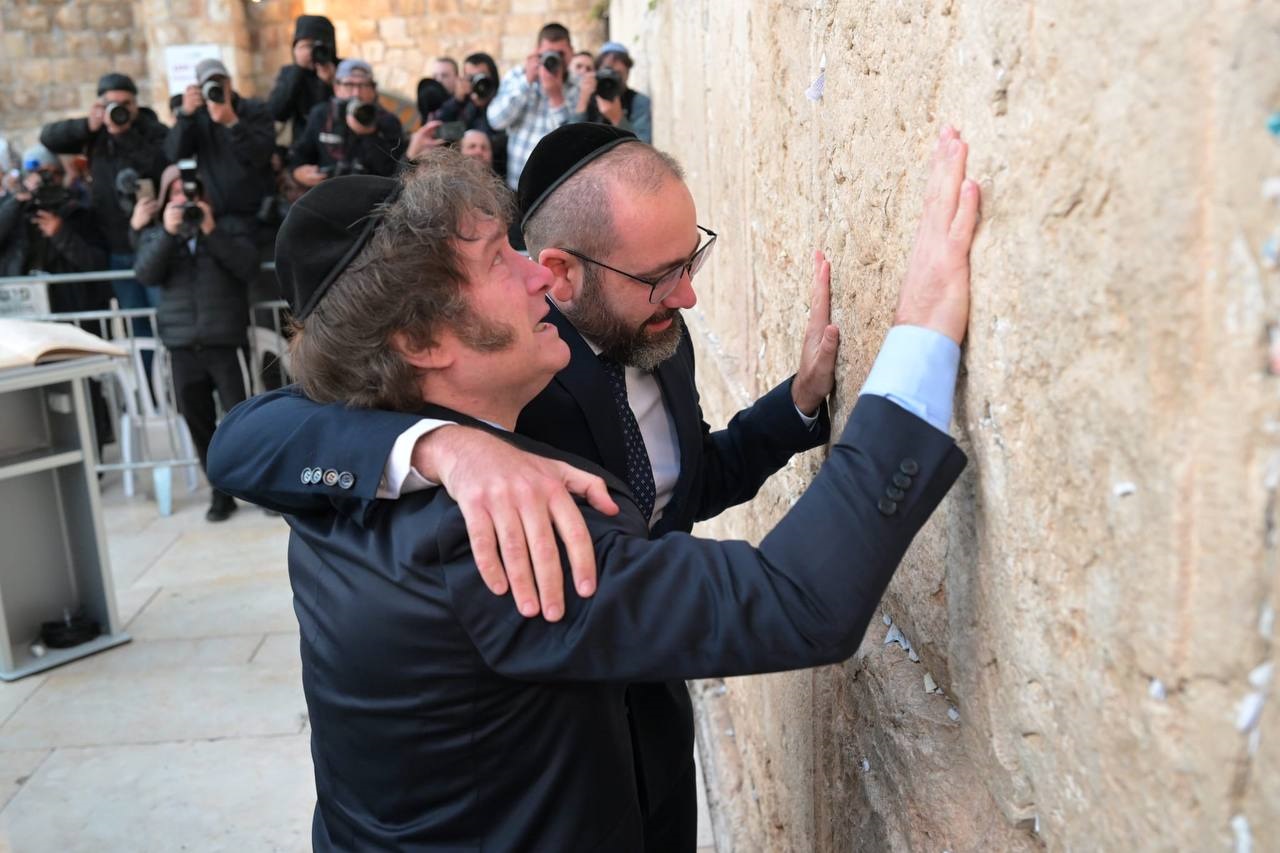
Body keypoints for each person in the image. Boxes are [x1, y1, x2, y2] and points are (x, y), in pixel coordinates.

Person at [209, 122, 975, 849]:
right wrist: (922, 334)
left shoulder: (369, 474)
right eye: (498, 260)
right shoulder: (495, 537)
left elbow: (683, 478)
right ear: (419, 340)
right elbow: (798, 600)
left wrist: (436, 444)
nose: (535, 267)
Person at [134, 164, 258, 522]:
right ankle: (220, 492)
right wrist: (169, 235)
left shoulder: (227, 227)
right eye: (175, 193)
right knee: (198, 423)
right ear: (165, 199)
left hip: (224, 339)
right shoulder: (157, 234)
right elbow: (145, 274)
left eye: (190, 193)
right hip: (181, 344)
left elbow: (247, 268)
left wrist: (210, 230)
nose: (183, 200)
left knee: (245, 419)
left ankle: (261, 487)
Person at [40, 72, 169, 334]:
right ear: (101, 105)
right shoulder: (95, 134)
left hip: (153, 243)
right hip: (116, 247)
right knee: (138, 327)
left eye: (126, 103)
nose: (120, 109)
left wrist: (124, 135)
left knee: (165, 320)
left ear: (135, 104)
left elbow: (158, 163)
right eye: (113, 103)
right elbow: (49, 137)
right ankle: (146, 376)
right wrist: (88, 125)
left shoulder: (152, 131)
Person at [166, 58, 275, 221]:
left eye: (219, 81)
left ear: (230, 83)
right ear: (200, 89)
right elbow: (175, 154)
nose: (215, 87)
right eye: (208, 84)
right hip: (220, 216)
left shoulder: (255, 109)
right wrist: (185, 115)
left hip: (259, 213)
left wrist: (232, 122)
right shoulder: (198, 118)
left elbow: (262, 155)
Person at [486, 22, 579, 189]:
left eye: (560, 53)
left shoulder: (578, 86)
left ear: (571, 53)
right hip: (517, 186)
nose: (554, 59)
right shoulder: (518, 76)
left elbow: (572, 142)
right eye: (549, 53)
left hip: (558, 188)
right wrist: (527, 81)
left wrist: (556, 97)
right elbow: (495, 120)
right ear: (537, 52)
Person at [289, 58, 405, 187]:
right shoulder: (321, 115)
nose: (356, 93)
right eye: (349, 85)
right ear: (337, 88)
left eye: (363, 85)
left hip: (372, 195)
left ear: (373, 90)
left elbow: (392, 172)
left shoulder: (388, 121)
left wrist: (369, 134)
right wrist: (297, 172)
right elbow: (300, 154)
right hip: (328, 192)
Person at [267, 15, 337, 144]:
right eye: (308, 45)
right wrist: (298, 69)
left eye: (320, 45)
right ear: (295, 48)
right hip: (303, 145)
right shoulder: (290, 73)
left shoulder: (342, 70)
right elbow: (276, 112)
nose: (314, 51)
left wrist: (328, 84)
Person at [575, 41, 652, 143]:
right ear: (597, 72)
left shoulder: (638, 101)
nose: (610, 80)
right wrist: (582, 102)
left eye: (618, 74)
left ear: (628, 74)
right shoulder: (587, 98)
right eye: (607, 72)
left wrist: (617, 118)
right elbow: (570, 139)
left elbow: (644, 147)